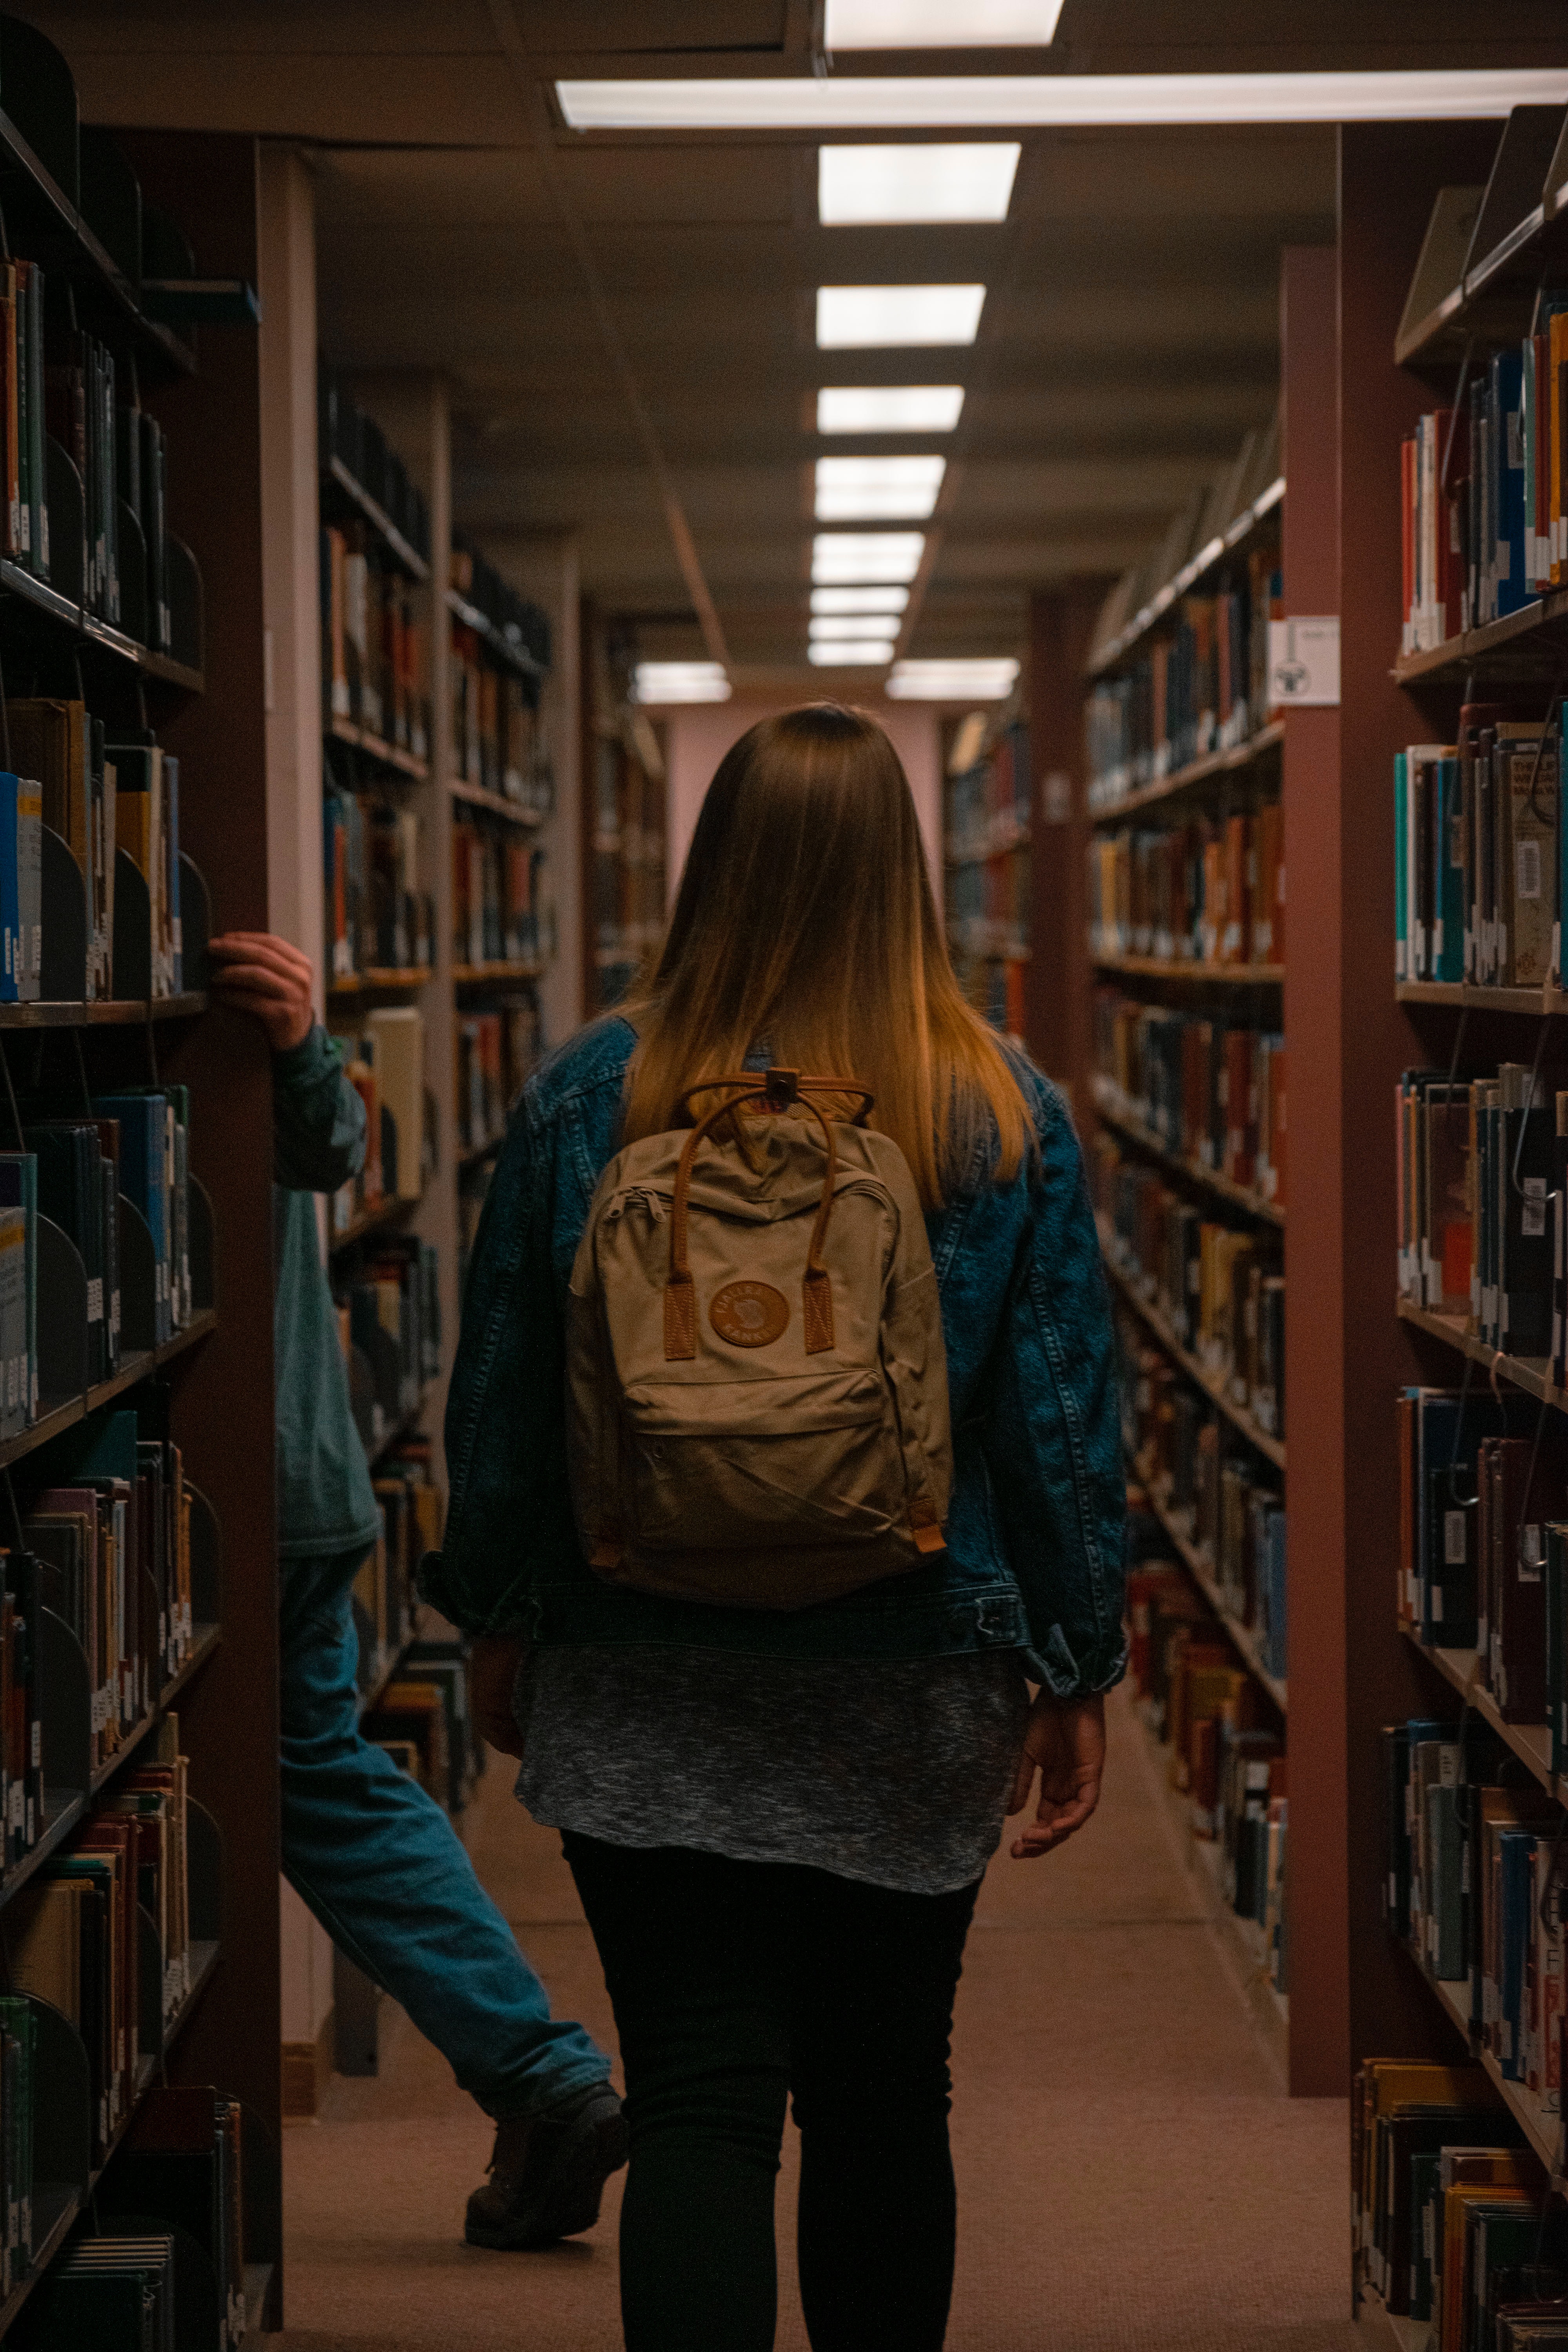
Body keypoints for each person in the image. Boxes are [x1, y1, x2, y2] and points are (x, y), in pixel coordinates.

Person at [420, 702, 1127, 2352]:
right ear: (912, 872)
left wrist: (500, 1617)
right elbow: (1057, 1421)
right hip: (913, 1680)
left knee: (695, 2097)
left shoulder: (595, 1089)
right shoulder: (995, 1106)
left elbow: (507, 1388)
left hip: (643, 1665)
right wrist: (1078, 1664)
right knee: (885, 2097)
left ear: (708, 865)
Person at [205, 928, 628, 2250]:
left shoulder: (243, 1011)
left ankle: (540, 2074)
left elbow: (330, 1148)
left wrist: (301, 1044)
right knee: (321, 1783)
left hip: (247, 1485)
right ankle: (540, 2078)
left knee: (314, 1779)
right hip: (287, 1478)